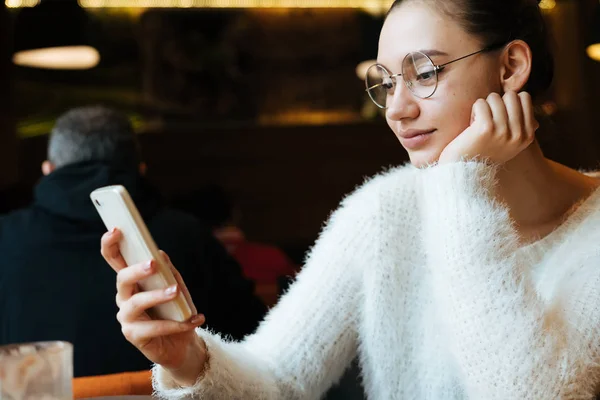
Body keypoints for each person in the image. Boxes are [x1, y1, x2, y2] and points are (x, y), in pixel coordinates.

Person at [101, 0, 600, 398]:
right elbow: (279, 381)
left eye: (425, 72)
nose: (398, 110)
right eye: (385, 81)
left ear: (511, 66)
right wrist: (185, 358)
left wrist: (460, 185)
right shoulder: (384, 212)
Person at [0, 106, 266, 377]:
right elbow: (256, 338)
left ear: (48, 170)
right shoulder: (190, 234)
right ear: (141, 170)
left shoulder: (5, 237)